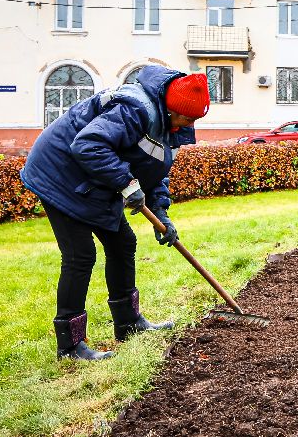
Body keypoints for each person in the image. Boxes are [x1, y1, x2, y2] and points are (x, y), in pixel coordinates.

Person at [20, 66, 208, 361]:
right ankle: (70, 346)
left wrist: (161, 210)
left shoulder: (171, 124)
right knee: (80, 255)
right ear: (172, 108)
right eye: (187, 117)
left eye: (196, 119)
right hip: (59, 173)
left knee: (123, 243)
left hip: (95, 178)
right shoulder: (135, 109)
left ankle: (128, 324)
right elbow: (88, 145)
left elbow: (154, 166)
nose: (190, 123)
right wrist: (126, 183)